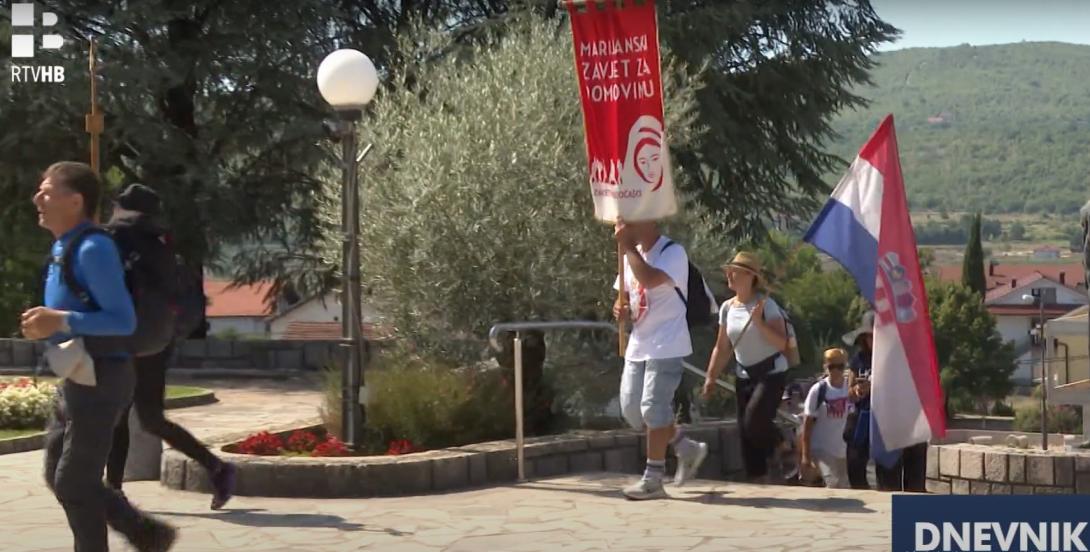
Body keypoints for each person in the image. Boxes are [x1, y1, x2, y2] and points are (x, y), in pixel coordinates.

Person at [24, 162, 176, 552]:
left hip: (102, 378)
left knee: (74, 481)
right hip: (76, 375)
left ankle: (143, 536)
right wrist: (48, 324)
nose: (37, 198)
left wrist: (60, 320)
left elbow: (122, 320)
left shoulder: (94, 248)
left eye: (46, 192)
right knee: (61, 475)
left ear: (75, 201)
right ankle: (147, 534)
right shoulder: (63, 246)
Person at [103, 184, 237, 509]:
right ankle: (216, 468)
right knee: (150, 418)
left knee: (117, 414)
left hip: (124, 332)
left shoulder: (114, 235)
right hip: (157, 336)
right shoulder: (160, 241)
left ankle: (114, 492)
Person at [612, 218, 708, 500]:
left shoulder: (673, 253)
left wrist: (628, 247)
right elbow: (625, 296)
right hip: (639, 344)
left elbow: (650, 279)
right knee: (632, 411)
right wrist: (620, 308)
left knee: (653, 408)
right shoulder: (630, 256)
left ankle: (653, 479)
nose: (625, 227)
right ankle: (685, 446)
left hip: (667, 343)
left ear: (649, 222)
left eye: (631, 222)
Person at [702, 251, 790, 483]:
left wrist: (759, 322)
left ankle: (781, 443)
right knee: (745, 433)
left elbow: (781, 342)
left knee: (754, 421)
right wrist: (711, 376)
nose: (730, 275)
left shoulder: (767, 305)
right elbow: (722, 347)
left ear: (751, 277)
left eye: (736, 272)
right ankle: (758, 479)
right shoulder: (727, 308)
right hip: (744, 374)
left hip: (770, 373)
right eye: (729, 271)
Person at [799, 349, 853, 489]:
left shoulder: (849, 388)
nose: (836, 371)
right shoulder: (818, 390)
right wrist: (806, 456)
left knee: (844, 488)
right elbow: (807, 425)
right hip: (821, 449)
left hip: (842, 450)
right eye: (831, 367)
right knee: (833, 484)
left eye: (840, 366)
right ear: (825, 367)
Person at [842, 311, 875, 490]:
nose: (872, 340)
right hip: (862, 415)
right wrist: (856, 390)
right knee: (854, 465)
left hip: (883, 417)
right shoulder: (858, 359)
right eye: (869, 336)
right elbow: (850, 391)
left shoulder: (890, 359)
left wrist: (874, 386)